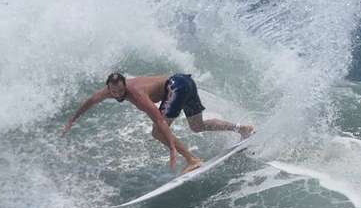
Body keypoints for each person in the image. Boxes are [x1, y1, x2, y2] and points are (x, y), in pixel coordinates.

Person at [61, 72, 253, 173]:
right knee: (197, 126)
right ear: (108, 88)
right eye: (113, 92)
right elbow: (89, 102)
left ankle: (192, 160)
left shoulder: (136, 95)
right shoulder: (107, 92)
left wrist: (171, 148)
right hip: (185, 81)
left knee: (157, 132)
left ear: (125, 85)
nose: (117, 95)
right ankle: (242, 129)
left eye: (120, 91)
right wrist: (72, 120)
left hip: (176, 87)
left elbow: (160, 121)